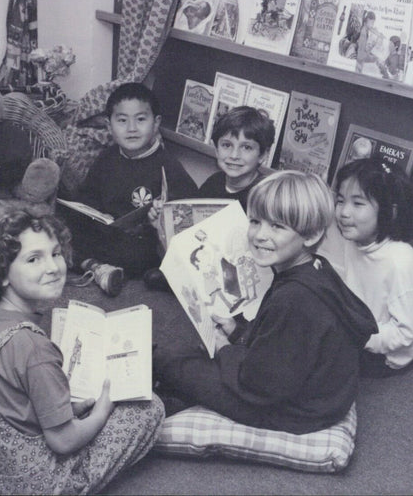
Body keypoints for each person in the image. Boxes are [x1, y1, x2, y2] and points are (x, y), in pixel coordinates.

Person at [0, 205, 164, 494]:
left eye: (56, 253)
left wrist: (73, 407)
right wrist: (104, 408)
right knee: (150, 407)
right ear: (2, 273)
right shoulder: (33, 348)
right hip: (37, 484)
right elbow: (63, 442)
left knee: (74, 402)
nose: (53, 267)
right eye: (34, 259)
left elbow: (14, 398)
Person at [153, 171, 377, 434]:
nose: (260, 235)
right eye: (255, 221)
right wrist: (237, 331)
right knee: (198, 356)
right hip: (317, 396)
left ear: (312, 235)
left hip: (296, 412)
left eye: (277, 226)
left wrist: (226, 349)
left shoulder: (294, 297)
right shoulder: (316, 269)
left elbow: (260, 386)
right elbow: (284, 343)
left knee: (170, 360)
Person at [69, 82, 197, 283]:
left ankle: (96, 266)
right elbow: (87, 199)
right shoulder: (106, 158)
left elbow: (189, 211)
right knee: (60, 231)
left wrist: (162, 217)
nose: (131, 129)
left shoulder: (168, 165)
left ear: (155, 123)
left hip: (140, 242)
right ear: (109, 125)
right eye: (122, 120)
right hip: (106, 234)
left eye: (140, 119)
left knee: (136, 254)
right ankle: (97, 267)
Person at [145, 106, 273, 291]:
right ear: (216, 148)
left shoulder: (264, 195)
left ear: (263, 155)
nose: (234, 156)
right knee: (155, 272)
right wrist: (162, 223)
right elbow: (191, 233)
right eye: (227, 145)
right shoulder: (214, 182)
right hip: (209, 260)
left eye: (246, 147)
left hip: (245, 272)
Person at [333, 158, 413, 377]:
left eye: (358, 203)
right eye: (340, 200)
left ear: (390, 212)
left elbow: (406, 333)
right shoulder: (356, 240)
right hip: (361, 327)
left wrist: (359, 337)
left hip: (386, 354)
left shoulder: (402, 263)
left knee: (318, 361)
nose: (344, 212)